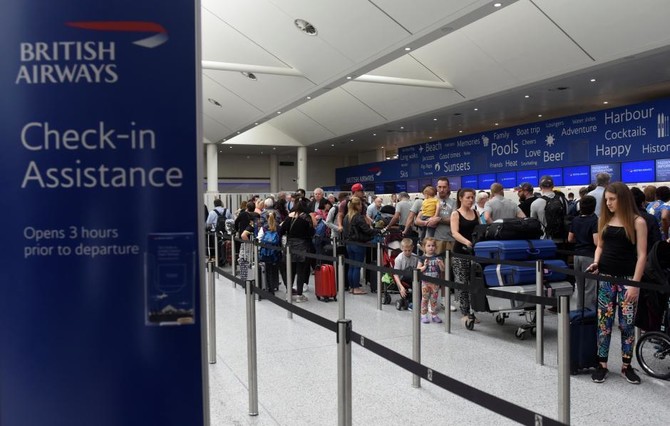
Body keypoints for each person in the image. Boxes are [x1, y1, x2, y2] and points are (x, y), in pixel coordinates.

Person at [585, 182, 647, 384]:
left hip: (627, 279)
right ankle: (602, 364)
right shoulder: (605, 219)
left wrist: (635, 284)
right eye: (607, 200)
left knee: (627, 325)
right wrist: (596, 262)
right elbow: (600, 247)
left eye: (612, 199)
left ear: (623, 199)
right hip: (606, 278)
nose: (608, 203)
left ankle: (626, 366)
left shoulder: (638, 222)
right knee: (604, 323)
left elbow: (642, 255)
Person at [450, 188, 479, 325]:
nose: (471, 200)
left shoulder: (476, 213)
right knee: (462, 283)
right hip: (460, 252)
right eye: (468, 197)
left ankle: (473, 311)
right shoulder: (456, 214)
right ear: (461, 198)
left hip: (474, 252)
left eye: (472, 197)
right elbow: (455, 233)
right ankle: (465, 312)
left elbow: (480, 229)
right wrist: (467, 242)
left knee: (474, 282)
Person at [280, 197, 314, 302]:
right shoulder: (306, 218)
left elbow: (281, 231)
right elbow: (311, 232)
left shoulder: (289, 218)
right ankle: (299, 295)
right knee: (301, 271)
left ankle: (289, 294)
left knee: (290, 271)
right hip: (302, 246)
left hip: (290, 246)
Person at [343, 196, 379, 295]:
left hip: (349, 244)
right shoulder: (358, 217)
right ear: (358, 205)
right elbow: (367, 230)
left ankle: (352, 287)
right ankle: (356, 288)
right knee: (357, 267)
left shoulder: (346, 217)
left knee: (351, 266)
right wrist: (378, 231)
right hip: (358, 244)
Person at [567, 195, 598, 310]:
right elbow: (596, 241)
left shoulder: (575, 219)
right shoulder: (595, 220)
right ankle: (588, 313)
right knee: (589, 287)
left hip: (577, 254)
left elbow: (570, 239)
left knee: (579, 286)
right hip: (589, 255)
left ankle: (580, 311)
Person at [530, 175, 569, 241]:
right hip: (562, 239)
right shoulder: (563, 200)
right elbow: (567, 216)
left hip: (545, 241)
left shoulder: (535, 203)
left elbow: (533, 224)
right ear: (553, 186)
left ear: (540, 186)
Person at [417, 237, 445, 324]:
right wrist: (425, 266)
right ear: (424, 247)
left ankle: (434, 315)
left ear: (435, 247)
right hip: (425, 283)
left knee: (434, 299)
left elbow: (443, 269)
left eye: (433, 246)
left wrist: (440, 264)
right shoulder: (422, 258)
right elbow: (418, 269)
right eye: (428, 246)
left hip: (435, 283)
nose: (431, 247)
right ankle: (423, 315)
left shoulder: (438, 257)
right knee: (425, 299)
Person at [631, 187, 662, 251]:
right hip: (648, 253)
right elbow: (657, 241)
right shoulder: (650, 219)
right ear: (643, 202)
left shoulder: (620, 218)